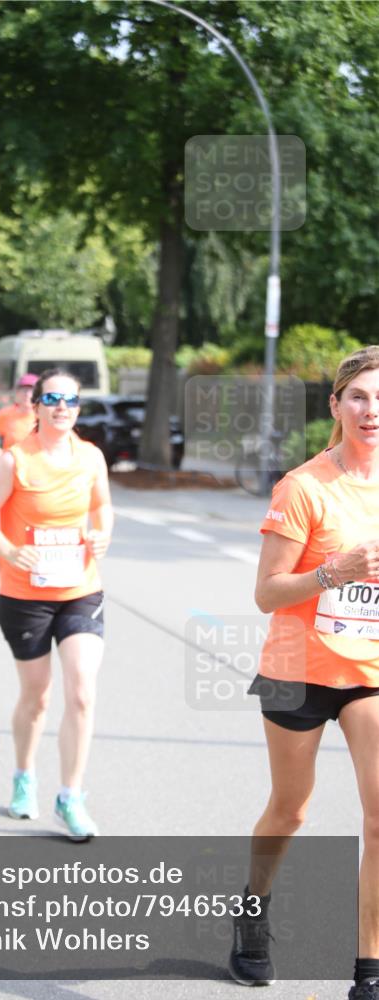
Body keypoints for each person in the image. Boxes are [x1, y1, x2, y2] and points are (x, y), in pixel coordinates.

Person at [229, 346, 379, 999]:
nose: (371, 411)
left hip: (369, 670)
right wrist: (331, 573)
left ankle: (368, 972)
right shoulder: (303, 486)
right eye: (359, 397)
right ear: (336, 405)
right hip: (295, 667)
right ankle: (252, 909)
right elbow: (265, 593)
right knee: (289, 811)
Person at [0, 369, 113, 840]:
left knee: (81, 691)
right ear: (35, 406)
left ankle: (71, 796)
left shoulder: (91, 457)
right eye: (52, 398)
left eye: (71, 400)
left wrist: (102, 534)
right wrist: (11, 551)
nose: (62, 407)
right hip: (24, 596)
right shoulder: (14, 462)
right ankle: (24, 775)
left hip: (79, 589)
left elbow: (104, 507)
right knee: (37, 699)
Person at [0, 373, 38, 461]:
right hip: (12, 466)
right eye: (24, 390)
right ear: (17, 393)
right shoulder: (6, 414)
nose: (27, 394)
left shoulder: (43, 415)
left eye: (32, 390)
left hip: (37, 466)